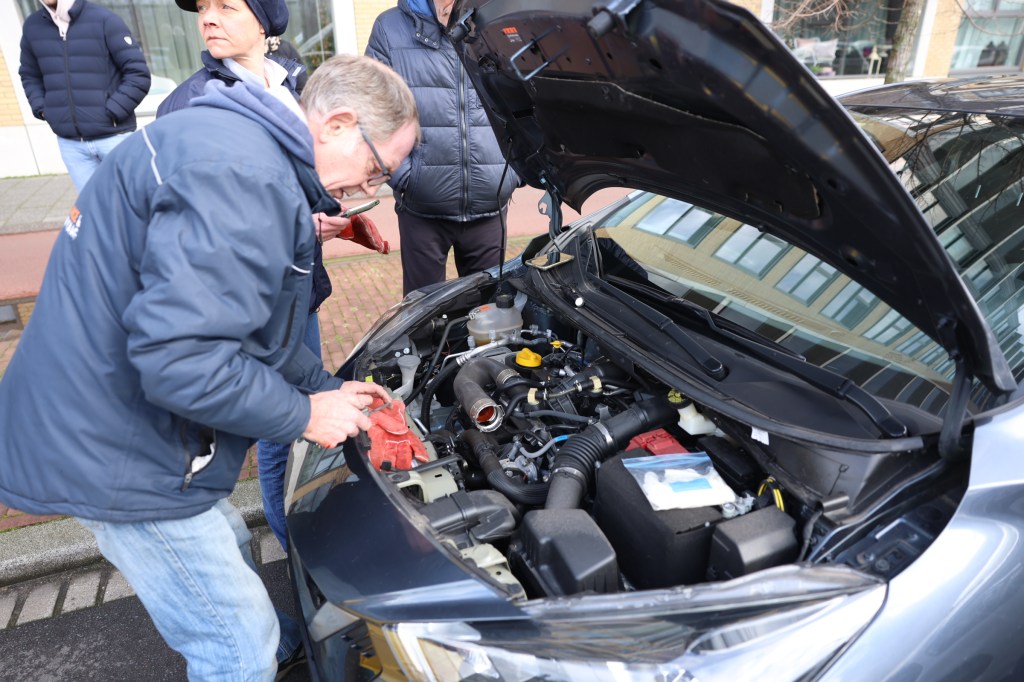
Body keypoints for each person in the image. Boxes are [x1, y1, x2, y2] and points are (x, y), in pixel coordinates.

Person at [0, 54, 419, 680]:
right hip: (121, 449)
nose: (367, 190)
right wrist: (304, 413)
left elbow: (244, 327)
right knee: (235, 644)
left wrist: (324, 386)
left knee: (227, 536)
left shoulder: (231, 142)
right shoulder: (244, 179)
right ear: (337, 123)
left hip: (100, 413)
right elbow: (181, 360)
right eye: (376, 168)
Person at [161, 0, 389, 567]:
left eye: (226, 5)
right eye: (203, 8)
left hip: (297, 291)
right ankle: (295, 553)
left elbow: (311, 175)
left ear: (265, 22)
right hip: (245, 304)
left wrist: (332, 217)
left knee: (305, 398)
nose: (208, 18)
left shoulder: (294, 78)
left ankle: (311, 530)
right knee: (276, 427)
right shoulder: (188, 104)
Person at [366, 0, 519, 296]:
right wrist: (405, 178)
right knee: (424, 321)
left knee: (488, 318)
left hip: (490, 204)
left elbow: (525, 99)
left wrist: (513, 171)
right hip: (421, 209)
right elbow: (372, 114)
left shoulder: (499, 22)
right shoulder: (389, 28)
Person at [18, 0, 151, 191]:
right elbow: (30, 75)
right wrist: (43, 109)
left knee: (135, 202)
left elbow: (138, 74)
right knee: (94, 210)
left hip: (114, 137)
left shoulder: (105, 20)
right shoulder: (32, 27)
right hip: (71, 145)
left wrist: (113, 111)